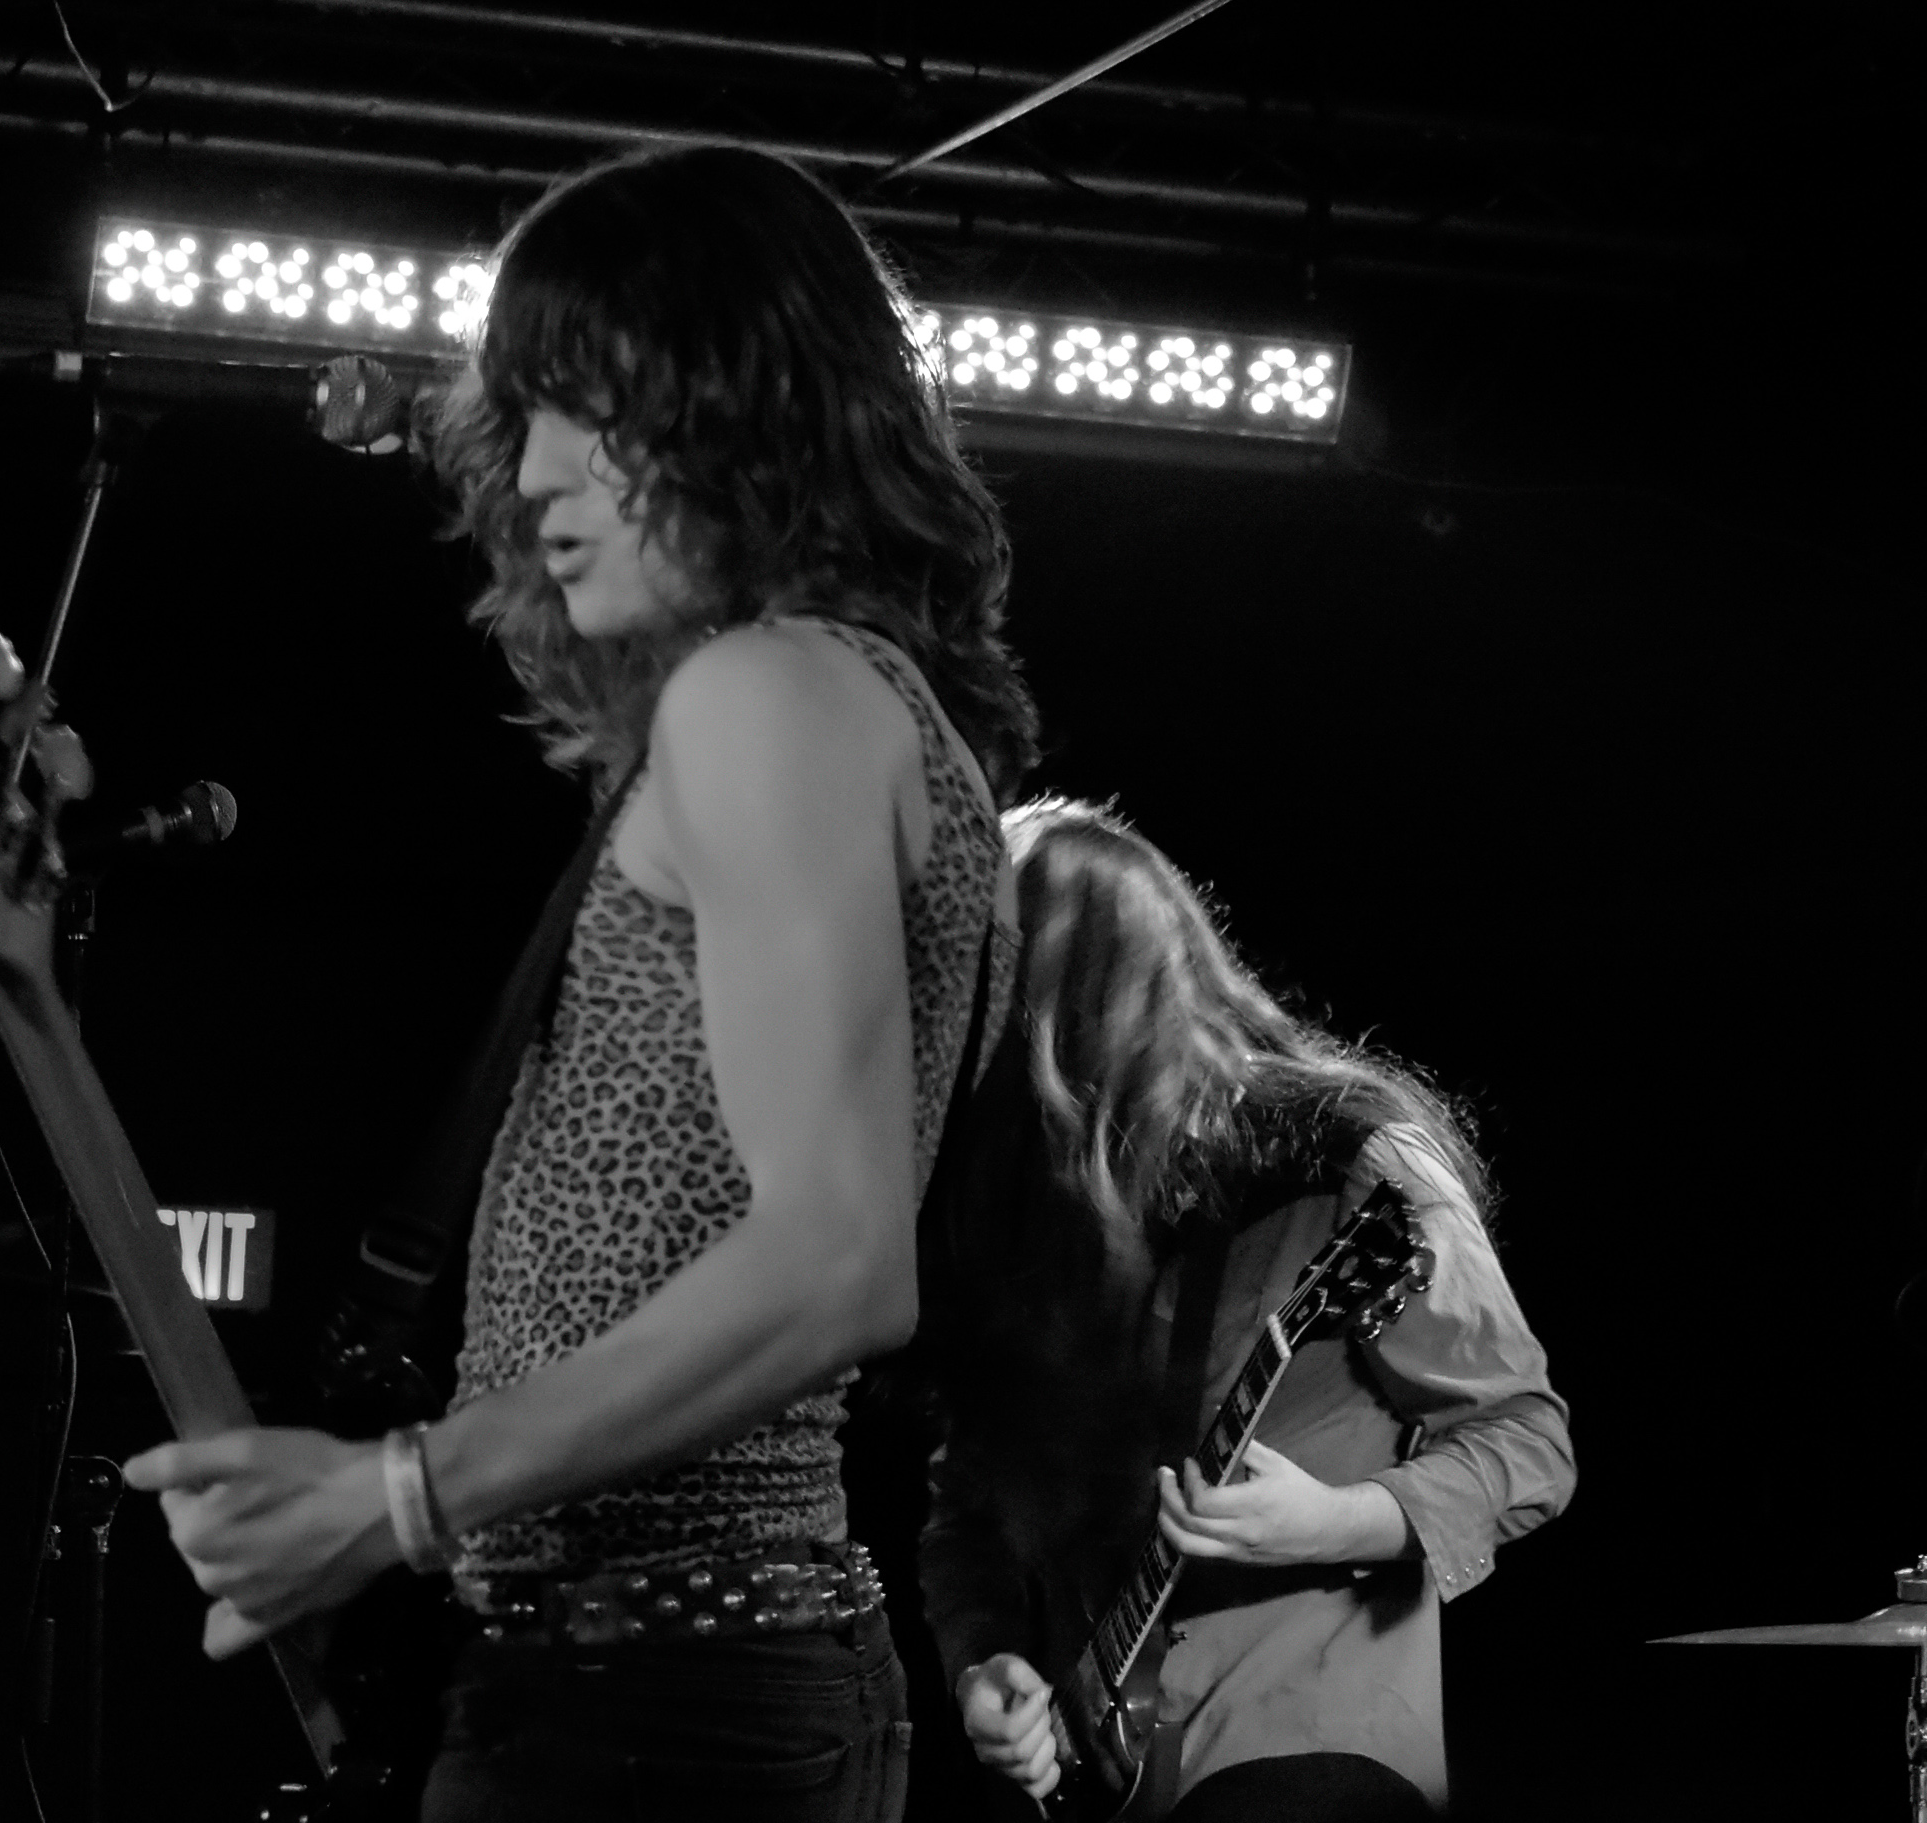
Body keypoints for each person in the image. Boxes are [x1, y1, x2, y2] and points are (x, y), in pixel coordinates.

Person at [121, 142, 1032, 1822]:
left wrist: (401, 1495)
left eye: (585, 412)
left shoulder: (769, 694)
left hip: (653, 1702)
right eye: (524, 416)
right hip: (700, 1676)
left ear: (741, 401)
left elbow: (839, 1263)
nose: (533, 474)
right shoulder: (871, 709)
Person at [919, 798, 1572, 1821]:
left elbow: (1527, 1441)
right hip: (1101, 1770)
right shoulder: (1024, 1224)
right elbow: (967, 1509)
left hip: (1311, 1737)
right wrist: (985, 1660)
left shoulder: (1348, 1159)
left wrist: (1331, 1520)